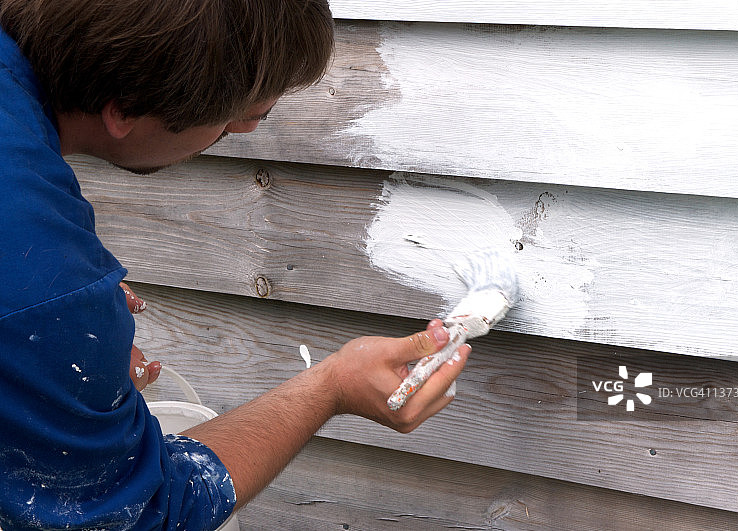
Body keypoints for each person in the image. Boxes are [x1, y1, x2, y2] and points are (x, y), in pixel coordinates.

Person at [0, 1, 471, 529]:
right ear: (125, 109)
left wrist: (46, 350)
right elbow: (148, 511)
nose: (246, 128)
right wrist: (332, 385)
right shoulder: (47, 285)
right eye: (234, 116)